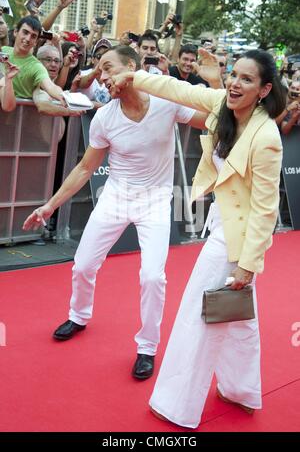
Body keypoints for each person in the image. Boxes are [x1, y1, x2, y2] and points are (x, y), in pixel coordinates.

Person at [112, 48, 286, 427]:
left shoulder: (267, 137)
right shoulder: (224, 104)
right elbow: (175, 88)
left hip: (233, 243)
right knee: (237, 320)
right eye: (233, 74)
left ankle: (177, 403)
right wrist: (132, 78)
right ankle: (241, 390)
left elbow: (265, 209)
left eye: (246, 79)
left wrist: (247, 265)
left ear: (264, 89)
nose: (234, 84)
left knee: (201, 316)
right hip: (220, 227)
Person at [22, 46, 207, 380]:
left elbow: (208, 120)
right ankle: (79, 315)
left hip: (155, 200)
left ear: (132, 67)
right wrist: (50, 206)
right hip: (116, 196)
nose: (103, 77)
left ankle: (147, 347)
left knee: (153, 276)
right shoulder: (105, 118)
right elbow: (83, 169)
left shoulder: (165, 102)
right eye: (99, 71)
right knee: (83, 266)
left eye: (108, 68)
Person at [1, 16, 64, 102]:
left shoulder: (36, 66)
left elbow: (50, 86)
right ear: (15, 32)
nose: (27, 39)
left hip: (18, 114)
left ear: (36, 42)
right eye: (25, 32)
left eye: (33, 36)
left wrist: (63, 97)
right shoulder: (3, 51)